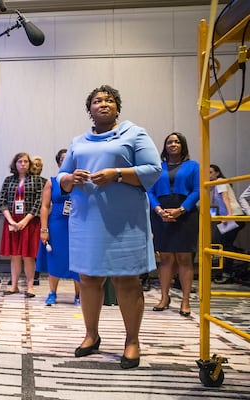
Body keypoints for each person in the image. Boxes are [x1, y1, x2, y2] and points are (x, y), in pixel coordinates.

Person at [57, 84, 161, 369]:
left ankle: (132, 341)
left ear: (118, 106)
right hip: (87, 219)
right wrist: (70, 179)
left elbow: (153, 171)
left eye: (109, 100)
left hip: (124, 221)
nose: (103, 104)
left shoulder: (135, 134)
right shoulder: (79, 141)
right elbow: (61, 177)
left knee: (126, 279)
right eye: (97, 100)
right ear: (89, 109)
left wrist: (117, 174)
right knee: (89, 278)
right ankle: (91, 335)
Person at [147, 132, 199, 317]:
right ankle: (164, 297)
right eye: (169, 141)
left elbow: (197, 190)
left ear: (183, 145)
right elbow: (150, 191)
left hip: (186, 214)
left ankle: (185, 300)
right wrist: (159, 210)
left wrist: (181, 209)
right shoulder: (157, 167)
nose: (173, 144)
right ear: (165, 146)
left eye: (177, 141)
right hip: (161, 214)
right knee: (166, 258)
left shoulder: (193, 166)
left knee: (185, 258)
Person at [36, 148, 81, 306]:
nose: (65, 161)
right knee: (54, 258)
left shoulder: (79, 181)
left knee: (77, 260)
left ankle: (78, 295)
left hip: (77, 225)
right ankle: (52, 292)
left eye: (67, 159)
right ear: (58, 162)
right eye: (62, 159)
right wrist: (44, 229)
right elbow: (44, 206)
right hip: (56, 224)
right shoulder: (51, 181)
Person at [0, 152, 44, 298]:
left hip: (29, 222)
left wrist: (24, 221)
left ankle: (30, 286)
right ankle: (14, 286)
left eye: (25, 161)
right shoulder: (8, 180)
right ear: (15, 164)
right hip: (12, 221)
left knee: (28, 256)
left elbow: (39, 202)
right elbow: (2, 201)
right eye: (20, 161)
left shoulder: (36, 180)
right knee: (15, 255)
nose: (23, 164)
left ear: (29, 164)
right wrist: (11, 221)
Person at [209, 164, 246, 281]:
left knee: (220, 242)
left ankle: (227, 272)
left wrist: (228, 215)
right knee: (223, 242)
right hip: (233, 215)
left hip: (234, 215)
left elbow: (225, 199)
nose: (208, 175)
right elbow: (218, 203)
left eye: (210, 172)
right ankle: (234, 262)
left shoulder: (220, 181)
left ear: (217, 173)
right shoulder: (214, 185)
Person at [30, 156, 47, 286]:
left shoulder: (45, 182)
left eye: (39, 165)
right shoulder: (25, 180)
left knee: (36, 248)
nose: (36, 167)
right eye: (34, 165)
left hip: (38, 219)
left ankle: (36, 275)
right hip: (23, 218)